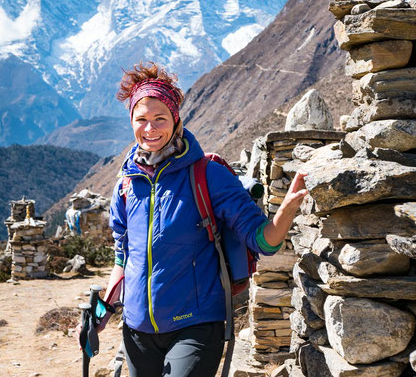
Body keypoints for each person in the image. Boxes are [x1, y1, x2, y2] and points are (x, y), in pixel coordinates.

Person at [101, 62, 307, 377]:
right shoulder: (127, 184)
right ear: (131, 121)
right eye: (141, 119)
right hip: (136, 329)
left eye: (160, 119)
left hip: (195, 325)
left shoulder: (206, 174)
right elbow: (122, 258)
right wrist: (102, 312)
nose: (150, 129)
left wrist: (286, 211)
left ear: (176, 118)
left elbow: (263, 241)